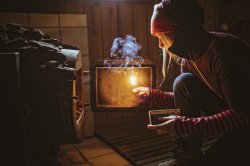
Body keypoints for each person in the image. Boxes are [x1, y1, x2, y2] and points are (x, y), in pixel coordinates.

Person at [132, 0, 250, 165]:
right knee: (183, 83)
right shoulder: (189, 59)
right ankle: (187, 157)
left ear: (181, 29)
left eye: (162, 36)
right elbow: (185, 99)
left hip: (245, 123)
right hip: (235, 114)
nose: (160, 44)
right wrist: (154, 96)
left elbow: (242, 115)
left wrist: (187, 126)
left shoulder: (223, 51)